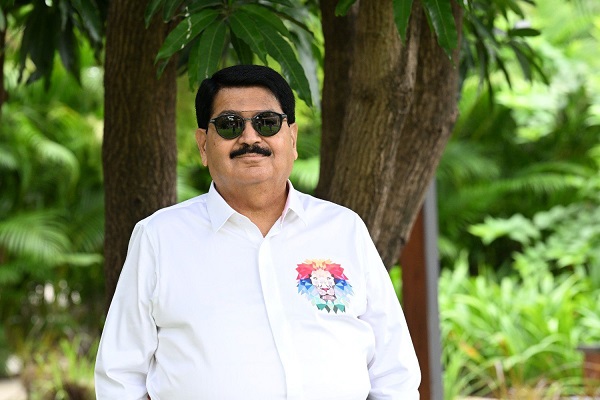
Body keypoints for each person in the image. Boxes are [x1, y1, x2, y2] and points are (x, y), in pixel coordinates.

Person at [95, 65, 421, 399]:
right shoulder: (159, 238)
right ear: (204, 145)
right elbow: (120, 378)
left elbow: (393, 372)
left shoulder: (344, 229)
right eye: (229, 125)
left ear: (291, 139)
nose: (250, 138)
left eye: (267, 122)